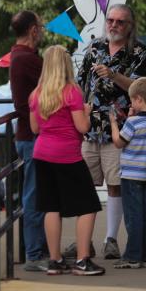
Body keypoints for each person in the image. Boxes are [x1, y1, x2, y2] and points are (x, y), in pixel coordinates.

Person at [71, 4, 146, 260]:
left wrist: (114, 75)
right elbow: (80, 84)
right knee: (84, 186)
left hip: (119, 130)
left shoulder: (138, 52)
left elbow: (140, 88)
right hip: (90, 128)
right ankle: (84, 242)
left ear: (130, 26)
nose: (114, 25)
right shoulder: (94, 48)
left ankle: (110, 240)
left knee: (116, 186)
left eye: (120, 22)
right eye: (111, 20)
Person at [30, 45, 105, 276]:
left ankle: (54, 260)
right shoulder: (71, 92)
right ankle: (83, 260)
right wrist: (86, 111)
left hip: (41, 154)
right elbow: (82, 127)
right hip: (67, 156)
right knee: (89, 205)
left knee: (51, 207)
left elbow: (34, 128)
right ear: (65, 65)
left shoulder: (36, 94)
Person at [108, 77, 146, 269]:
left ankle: (132, 256)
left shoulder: (132, 123)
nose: (131, 104)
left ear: (139, 99)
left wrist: (115, 123)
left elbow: (119, 142)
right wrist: (133, 116)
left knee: (133, 216)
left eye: (132, 100)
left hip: (131, 175)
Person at [9, 9, 49, 271]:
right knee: (35, 196)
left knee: (38, 194)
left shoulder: (20, 56)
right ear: (33, 30)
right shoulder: (28, 60)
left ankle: (42, 249)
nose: (43, 30)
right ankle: (35, 254)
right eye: (41, 26)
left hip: (28, 134)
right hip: (33, 136)